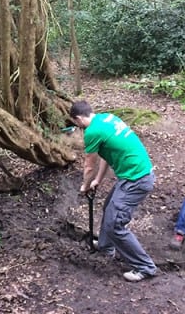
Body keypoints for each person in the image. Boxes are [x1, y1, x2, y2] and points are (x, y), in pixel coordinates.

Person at [69, 100, 158, 282]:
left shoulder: (92, 132)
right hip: (133, 174)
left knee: (115, 223)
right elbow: (106, 155)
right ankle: (105, 246)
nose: (78, 127)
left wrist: (85, 185)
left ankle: (145, 267)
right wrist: (97, 181)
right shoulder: (107, 118)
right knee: (109, 207)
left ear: (78, 119)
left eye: (76, 124)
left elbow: (88, 165)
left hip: (136, 179)